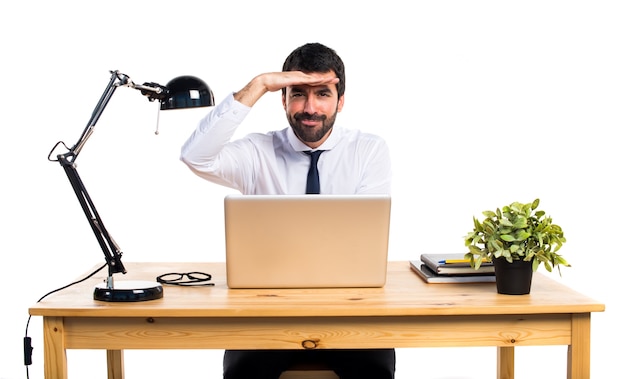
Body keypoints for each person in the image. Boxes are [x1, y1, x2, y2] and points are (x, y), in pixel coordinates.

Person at [180, 42, 394, 379]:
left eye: (322, 93)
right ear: (282, 99)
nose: (310, 107)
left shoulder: (368, 150)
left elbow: (365, 239)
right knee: (242, 373)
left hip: (350, 311)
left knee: (374, 372)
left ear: (340, 101)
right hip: (264, 312)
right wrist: (259, 84)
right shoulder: (257, 152)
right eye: (297, 94)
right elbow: (196, 156)